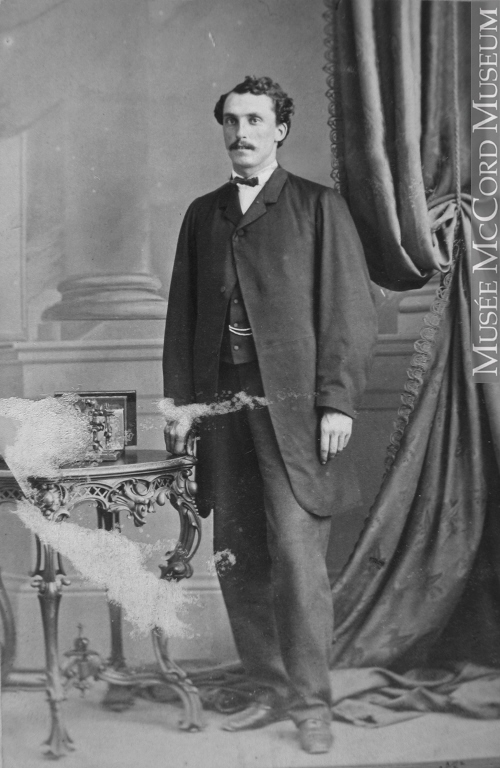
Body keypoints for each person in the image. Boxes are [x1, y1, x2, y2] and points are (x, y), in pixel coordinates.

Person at [163, 75, 377, 755]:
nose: (242, 133)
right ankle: (267, 688)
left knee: (295, 554)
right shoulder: (202, 214)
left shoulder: (318, 207)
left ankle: (311, 705)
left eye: (255, 120)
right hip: (222, 408)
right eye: (231, 121)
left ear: (280, 130)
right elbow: (181, 318)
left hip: (295, 409)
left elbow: (348, 311)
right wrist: (180, 406)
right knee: (236, 552)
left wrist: (337, 401)